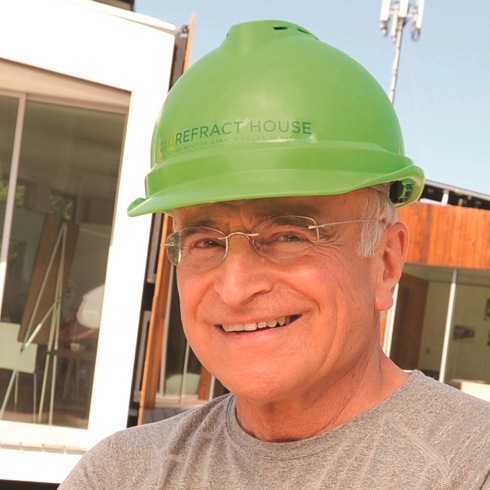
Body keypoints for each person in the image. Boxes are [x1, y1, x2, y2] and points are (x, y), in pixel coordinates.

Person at [60, 20, 490, 489]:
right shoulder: (120, 475)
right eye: (205, 242)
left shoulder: (468, 466)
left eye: (289, 235)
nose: (236, 287)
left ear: (386, 263)